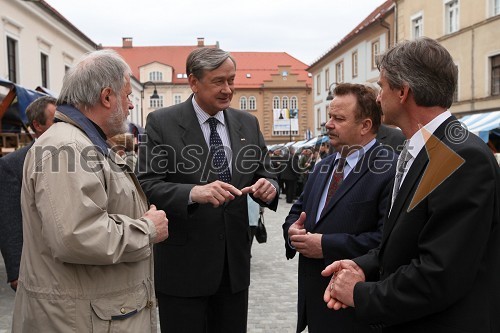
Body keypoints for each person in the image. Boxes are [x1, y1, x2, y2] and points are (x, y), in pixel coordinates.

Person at [323, 37, 500, 333]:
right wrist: (363, 265)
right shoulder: (426, 148)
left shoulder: (461, 156)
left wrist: (358, 293)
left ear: (403, 91)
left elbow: (440, 274)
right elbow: (405, 241)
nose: (378, 98)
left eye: (382, 87)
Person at [11, 49, 169, 332]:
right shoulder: (67, 147)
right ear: (106, 97)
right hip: (82, 319)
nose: (131, 106)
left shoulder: (85, 142)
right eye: (127, 95)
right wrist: (148, 230)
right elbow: (76, 236)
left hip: (94, 314)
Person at [136, 47, 278, 333]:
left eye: (232, 80)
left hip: (234, 265)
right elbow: (147, 184)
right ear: (193, 82)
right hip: (184, 268)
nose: (228, 89)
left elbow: (267, 171)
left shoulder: (247, 123)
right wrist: (193, 193)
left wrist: (270, 186)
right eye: (219, 82)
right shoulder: (161, 123)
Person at [283, 83, 397, 333]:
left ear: (365, 126)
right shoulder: (323, 165)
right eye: (329, 116)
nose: (328, 124)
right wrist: (292, 232)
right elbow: (298, 210)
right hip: (315, 304)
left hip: (354, 310)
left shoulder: (389, 169)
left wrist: (325, 245)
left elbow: (386, 240)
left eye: (338, 118)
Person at [0, 95, 56, 291]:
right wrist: (15, 270)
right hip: (36, 263)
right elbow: (9, 218)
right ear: (37, 125)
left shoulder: (74, 158)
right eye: (55, 121)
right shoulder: (12, 164)